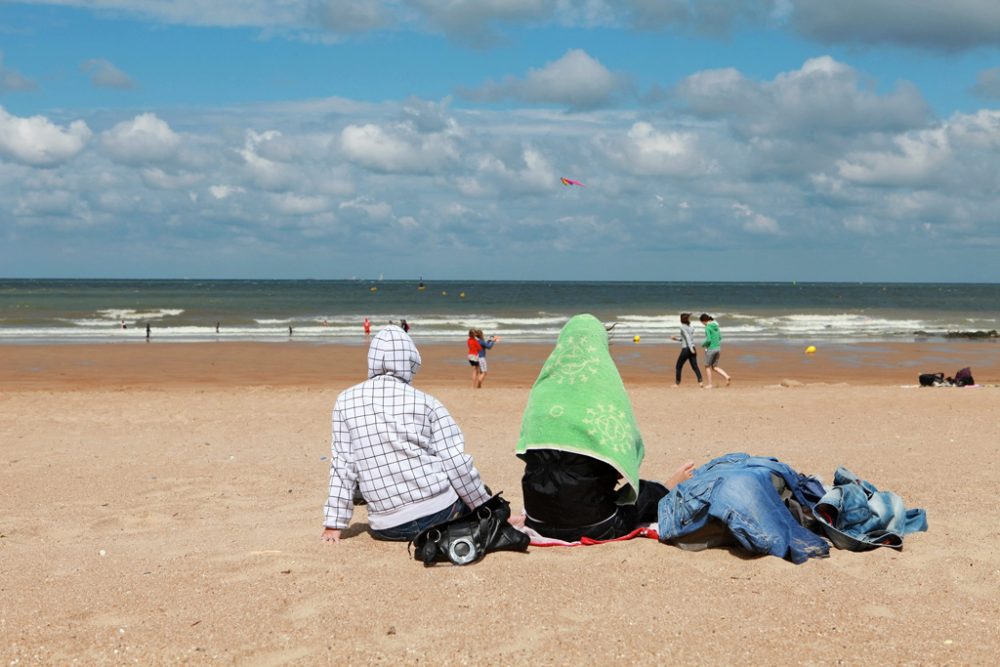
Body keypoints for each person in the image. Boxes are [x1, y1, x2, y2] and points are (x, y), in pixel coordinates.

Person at [516, 314, 694, 541]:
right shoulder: (603, 391)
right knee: (644, 494)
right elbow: (626, 452)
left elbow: (528, 453)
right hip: (597, 525)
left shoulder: (542, 393)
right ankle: (668, 488)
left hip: (537, 521)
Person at [321, 326, 493, 543]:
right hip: (438, 514)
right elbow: (456, 463)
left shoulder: (345, 401)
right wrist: (485, 507)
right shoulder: (426, 402)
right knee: (476, 489)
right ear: (411, 360)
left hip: (386, 527)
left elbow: (343, 464)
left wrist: (333, 524)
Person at [671, 312, 703, 388]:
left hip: (686, 349)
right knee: (695, 366)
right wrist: (676, 339)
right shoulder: (691, 327)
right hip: (692, 347)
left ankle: (677, 384)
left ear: (681, 319)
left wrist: (690, 349)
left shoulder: (682, 327)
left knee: (678, 366)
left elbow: (687, 338)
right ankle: (700, 382)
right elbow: (685, 338)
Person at [699, 313, 731, 388]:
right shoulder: (716, 326)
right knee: (714, 366)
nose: (703, 324)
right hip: (718, 348)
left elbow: (708, 340)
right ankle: (727, 376)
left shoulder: (707, 327)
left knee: (707, 366)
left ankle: (710, 384)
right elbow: (720, 337)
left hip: (711, 349)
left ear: (704, 321)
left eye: (702, 323)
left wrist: (703, 345)